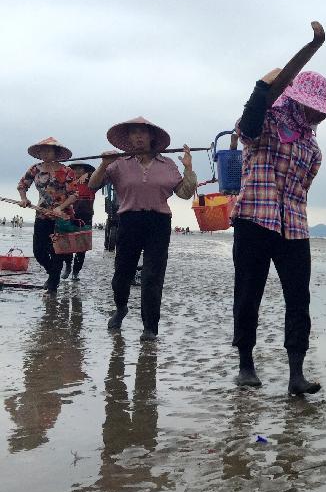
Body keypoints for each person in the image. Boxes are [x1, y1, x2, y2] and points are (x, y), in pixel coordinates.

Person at [230, 68, 326, 394]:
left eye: (322, 109)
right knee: (248, 294)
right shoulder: (266, 123)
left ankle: (296, 373)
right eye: (314, 107)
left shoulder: (312, 149)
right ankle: (246, 365)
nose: (319, 114)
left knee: (298, 298)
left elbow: (302, 188)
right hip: (253, 219)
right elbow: (246, 124)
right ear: (296, 100)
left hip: (293, 227)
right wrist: (262, 85)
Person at [88, 117, 196, 341]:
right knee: (122, 273)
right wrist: (103, 164)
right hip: (129, 221)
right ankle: (120, 308)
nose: (137, 136)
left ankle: (150, 327)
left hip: (158, 222)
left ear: (151, 137)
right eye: (133, 133)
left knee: (152, 277)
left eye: (142, 132)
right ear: (128, 139)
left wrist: (188, 168)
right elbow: (92, 185)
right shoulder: (119, 164)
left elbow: (185, 193)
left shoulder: (167, 164)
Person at [17, 137, 78, 292]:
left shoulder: (66, 171)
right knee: (39, 252)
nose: (45, 153)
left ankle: (52, 285)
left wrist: (61, 208)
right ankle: (53, 275)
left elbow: (74, 194)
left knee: (56, 251)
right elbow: (22, 185)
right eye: (42, 150)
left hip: (62, 218)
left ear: (56, 153)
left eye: (49, 150)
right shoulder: (35, 169)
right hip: (42, 215)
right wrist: (24, 199)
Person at [61, 163, 98, 281]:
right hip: (69, 216)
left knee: (82, 248)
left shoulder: (92, 183)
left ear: (85, 170)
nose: (77, 171)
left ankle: (76, 272)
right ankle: (67, 266)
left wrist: (89, 174)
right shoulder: (67, 183)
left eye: (80, 169)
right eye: (74, 169)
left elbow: (105, 174)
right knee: (67, 245)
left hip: (85, 217)